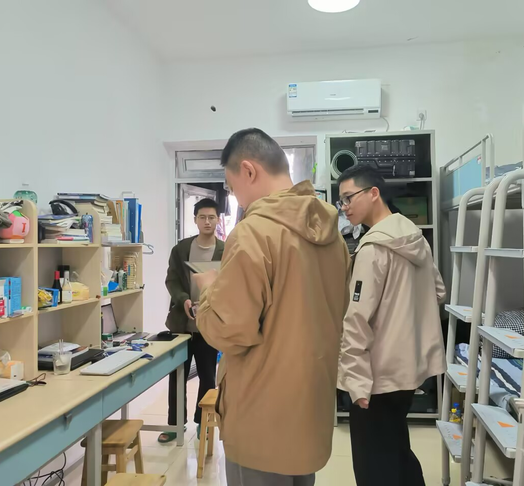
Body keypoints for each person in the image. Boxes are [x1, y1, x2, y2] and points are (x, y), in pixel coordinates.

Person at [193, 128, 350, 486]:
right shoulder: (331, 235)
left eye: (233, 188)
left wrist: (210, 290)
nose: (237, 199)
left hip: (260, 418)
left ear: (249, 171)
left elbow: (230, 332)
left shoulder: (254, 233)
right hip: (309, 412)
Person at [336, 164, 446, 486]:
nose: (344, 207)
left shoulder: (372, 249)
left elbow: (357, 320)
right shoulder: (415, 237)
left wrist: (356, 383)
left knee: (374, 465)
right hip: (410, 370)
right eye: (341, 201)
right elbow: (439, 291)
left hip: (377, 377)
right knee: (396, 447)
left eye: (349, 197)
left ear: (374, 193)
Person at [158, 198, 225, 443]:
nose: (207, 222)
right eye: (202, 217)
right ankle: (175, 425)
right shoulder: (182, 249)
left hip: (209, 325)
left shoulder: (226, 249)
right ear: (195, 219)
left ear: (218, 220)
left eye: (212, 217)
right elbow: (172, 280)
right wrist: (184, 299)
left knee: (207, 376)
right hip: (181, 326)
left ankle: (202, 423)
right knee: (177, 376)